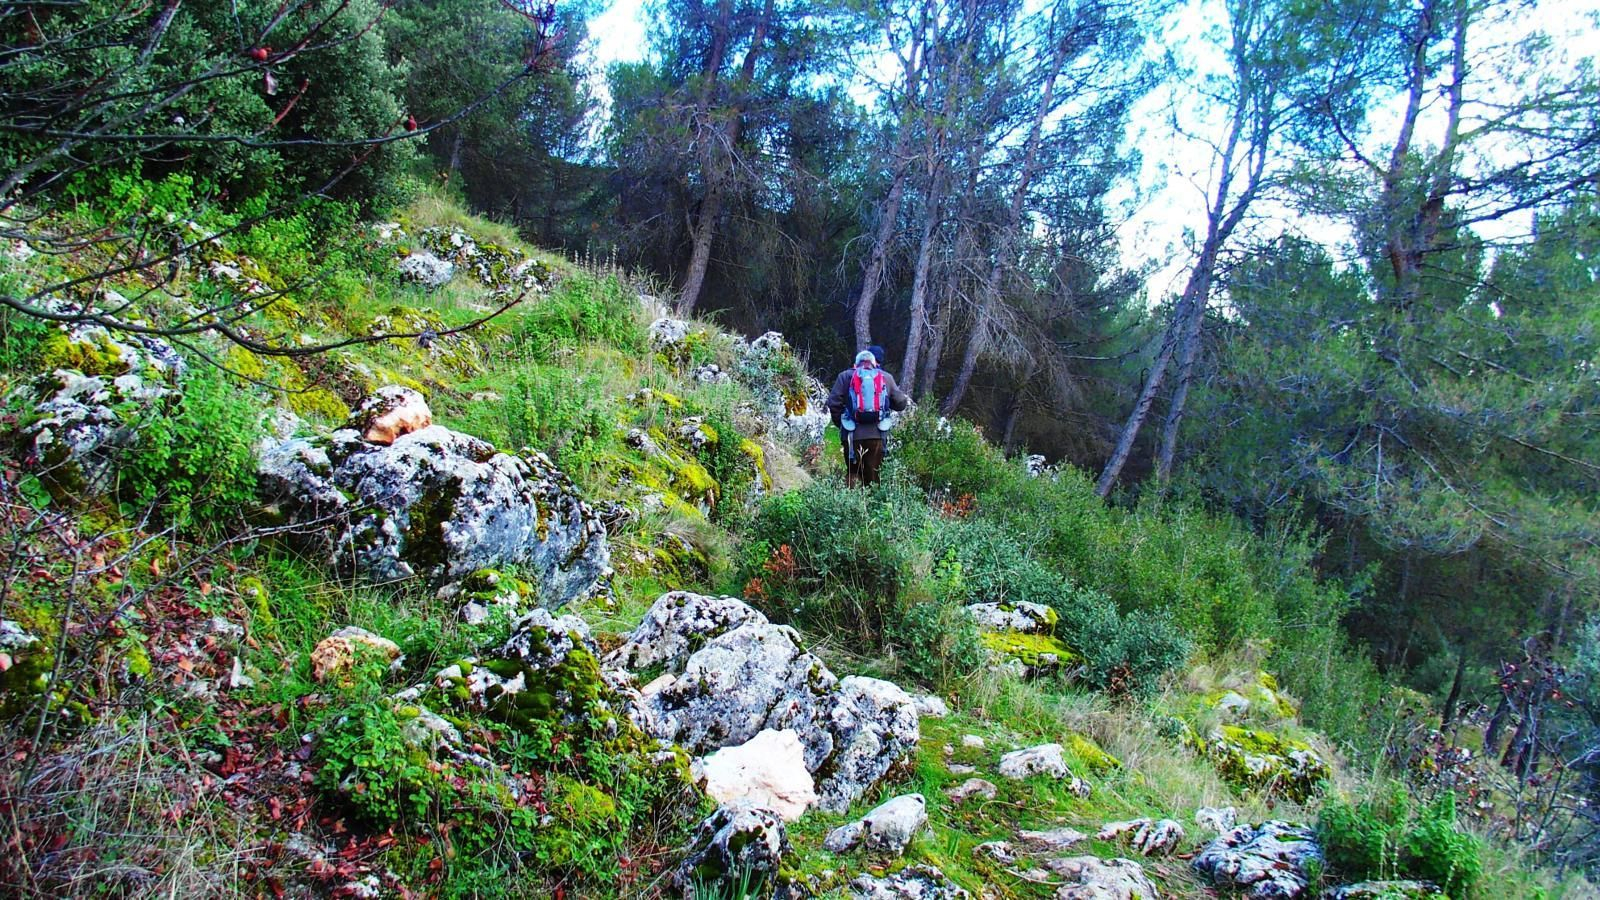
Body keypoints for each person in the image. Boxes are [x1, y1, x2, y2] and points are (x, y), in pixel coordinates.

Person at [827, 348, 909, 487]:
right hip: (877, 434)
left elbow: (833, 403)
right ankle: (872, 504)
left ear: (856, 364)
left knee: (853, 472)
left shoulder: (845, 376)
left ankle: (850, 503)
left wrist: (841, 424)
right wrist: (886, 404)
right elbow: (901, 403)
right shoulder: (885, 377)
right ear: (874, 364)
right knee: (873, 474)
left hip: (851, 434)